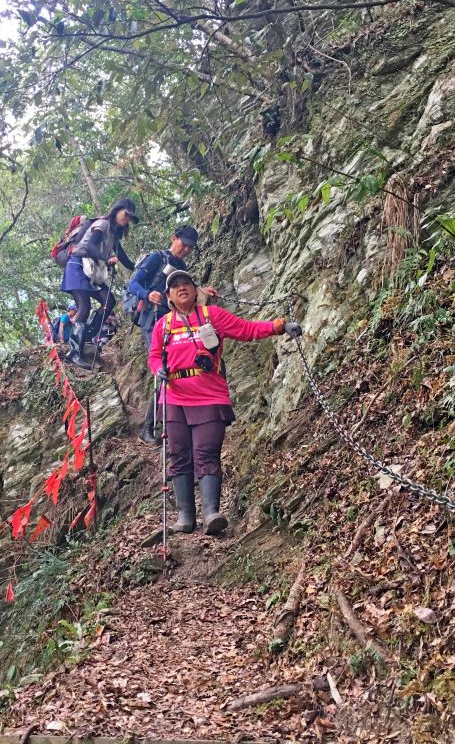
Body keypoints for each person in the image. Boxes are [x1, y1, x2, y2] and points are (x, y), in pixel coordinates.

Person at [148, 270, 301, 535]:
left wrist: (279, 326)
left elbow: (247, 329)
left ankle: (210, 514)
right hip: (173, 397)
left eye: (187, 284)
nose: (182, 288)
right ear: (169, 296)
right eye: (175, 286)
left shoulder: (212, 316)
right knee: (179, 455)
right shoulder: (164, 325)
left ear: (196, 291)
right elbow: (153, 356)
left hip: (209, 395)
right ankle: (185, 517)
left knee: (206, 452)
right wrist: (156, 368)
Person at [127, 225, 216, 444]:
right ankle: (149, 428)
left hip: (171, 323)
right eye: (183, 244)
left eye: (190, 247)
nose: (185, 249)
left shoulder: (181, 265)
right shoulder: (156, 258)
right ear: (174, 238)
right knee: (163, 369)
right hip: (151, 320)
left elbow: (184, 294)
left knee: (172, 369)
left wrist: (203, 291)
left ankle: (163, 424)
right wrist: (148, 294)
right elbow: (133, 283)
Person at [61, 198, 138, 369]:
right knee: (84, 307)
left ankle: (87, 336)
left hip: (92, 271)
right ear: (117, 210)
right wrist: (106, 258)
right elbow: (89, 246)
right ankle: (74, 353)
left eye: (129, 218)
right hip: (78, 266)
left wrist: (138, 268)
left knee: (109, 301)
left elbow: (121, 256)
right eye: (125, 215)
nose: (126, 219)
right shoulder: (103, 224)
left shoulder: (115, 234)